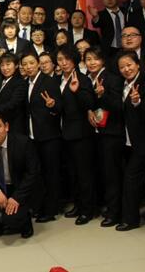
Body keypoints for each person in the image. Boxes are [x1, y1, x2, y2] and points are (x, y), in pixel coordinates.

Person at [0, 112, 40, 242]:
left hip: (20, 188)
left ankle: (26, 223)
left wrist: (16, 197)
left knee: (11, 220)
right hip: (0, 186)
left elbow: (33, 173)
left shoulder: (23, 142)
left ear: (6, 127)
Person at [115, 51, 145, 232]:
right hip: (130, 141)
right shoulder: (124, 84)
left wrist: (137, 102)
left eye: (129, 65)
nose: (126, 69)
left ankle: (131, 219)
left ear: (137, 64)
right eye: (122, 67)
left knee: (131, 179)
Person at [85, 46, 125, 228]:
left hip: (112, 133)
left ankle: (115, 212)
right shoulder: (88, 79)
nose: (91, 62)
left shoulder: (112, 78)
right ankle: (108, 207)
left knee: (112, 174)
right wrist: (89, 110)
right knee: (103, 172)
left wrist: (103, 95)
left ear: (102, 61)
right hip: (97, 134)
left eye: (95, 59)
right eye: (88, 59)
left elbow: (118, 106)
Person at [57, 46, 96, 225]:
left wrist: (77, 91)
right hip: (65, 133)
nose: (64, 63)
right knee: (72, 173)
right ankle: (78, 205)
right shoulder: (58, 79)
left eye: (67, 59)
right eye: (60, 59)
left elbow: (90, 103)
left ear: (74, 60)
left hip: (81, 134)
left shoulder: (82, 79)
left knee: (84, 173)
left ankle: (88, 210)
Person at [21, 53, 62, 223]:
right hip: (32, 136)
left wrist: (53, 105)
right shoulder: (25, 83)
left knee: (51, 174)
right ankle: (39, 206)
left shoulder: (49, 81)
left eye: (32, 63)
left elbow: (59, 107)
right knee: (37, 174)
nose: (28, 66)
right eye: (25, 64)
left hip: (49, 135)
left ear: (38, 64)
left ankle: (51, 209)